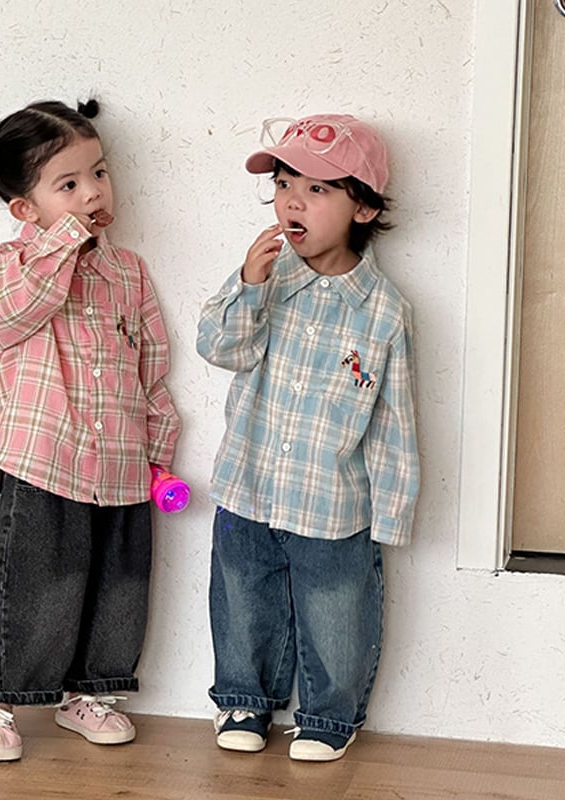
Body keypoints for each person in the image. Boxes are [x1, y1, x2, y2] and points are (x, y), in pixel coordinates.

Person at [0, 98, 181, 762]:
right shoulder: (13, 266)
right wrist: (63, 243)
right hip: (41, 454)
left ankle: (89, 695)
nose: (93, 193)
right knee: (32, 582)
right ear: (26, 209)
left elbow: (152, 366)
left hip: (121, 462)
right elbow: (3, 316)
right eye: (70, 184)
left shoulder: (128, 272)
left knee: (118, 583)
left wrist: (158, 454)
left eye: (99, 173)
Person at [196, 113, 420, 762]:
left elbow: (395, 420)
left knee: (338, 612)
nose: (293, 200)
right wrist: (249, 286)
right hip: (248, 487)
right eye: (284, 184)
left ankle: (328, 715)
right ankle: (244, 698)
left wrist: (392, 514)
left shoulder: (384, 312)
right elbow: (221, 348)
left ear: (364, 208)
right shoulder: (265, 280)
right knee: (242, 601)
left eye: (317, 189)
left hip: (333, 504)